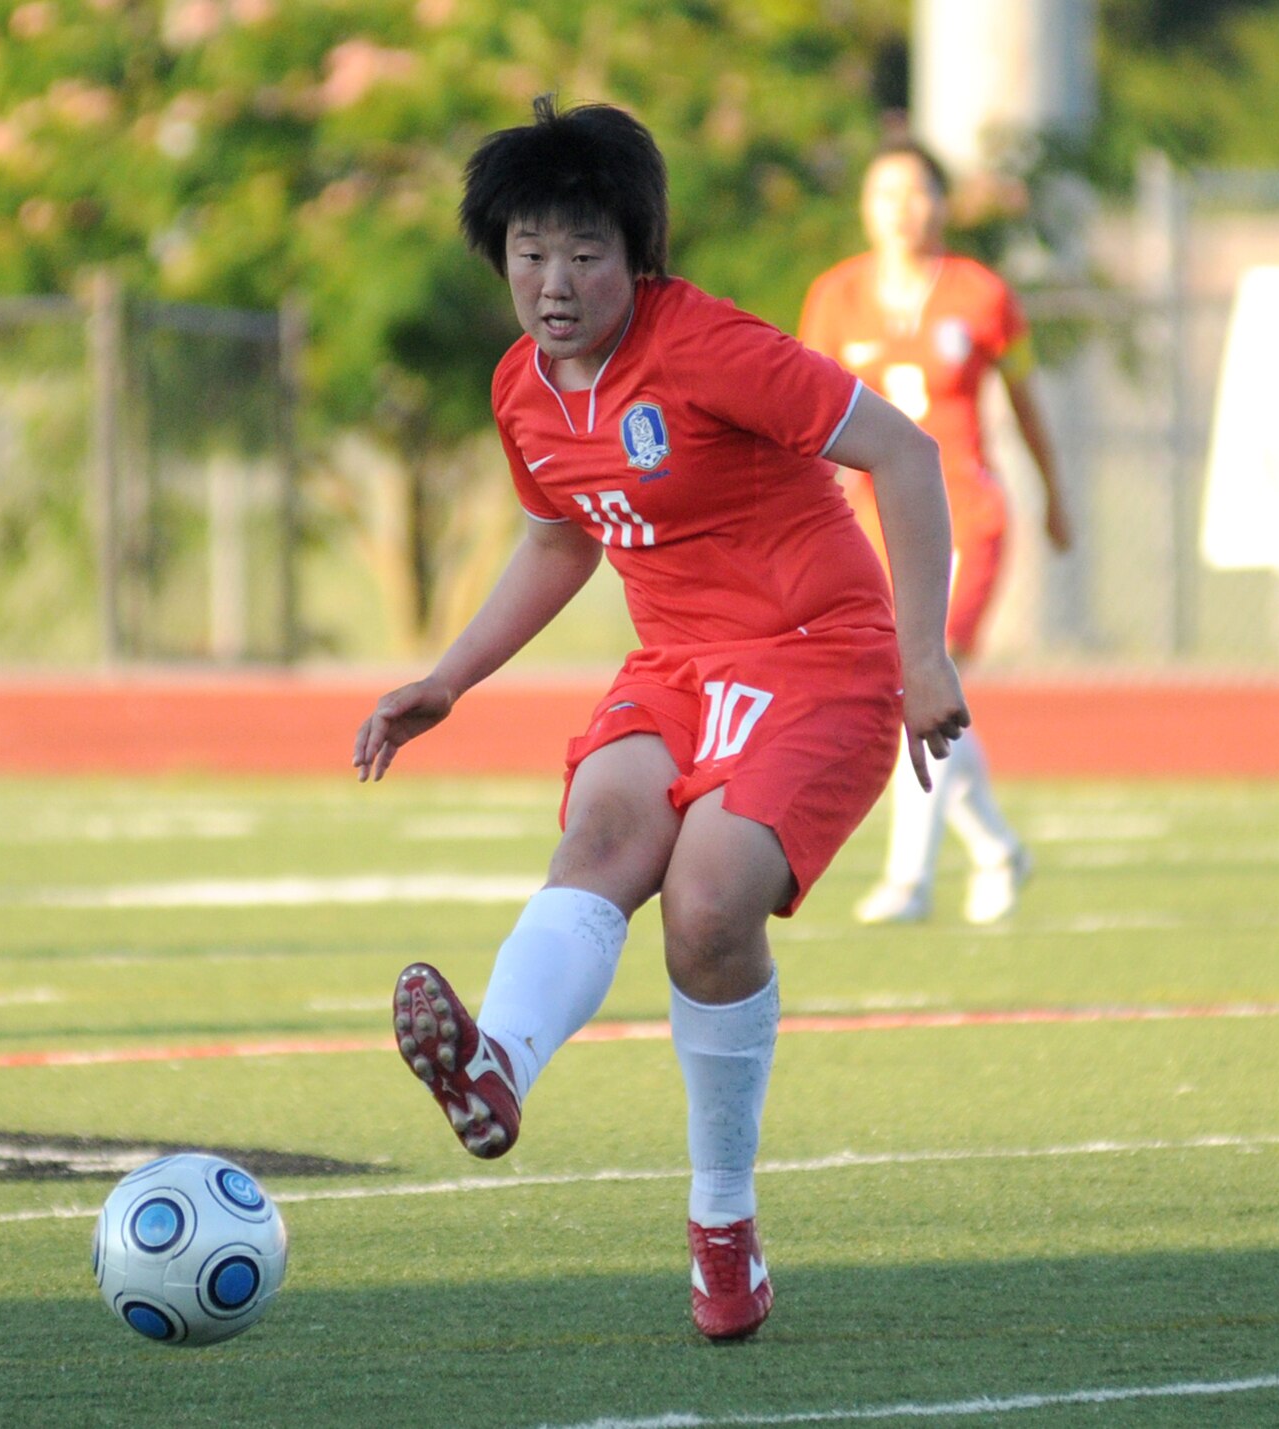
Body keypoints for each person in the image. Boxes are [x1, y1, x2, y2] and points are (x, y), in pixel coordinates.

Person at [353, 98, 968, 1342]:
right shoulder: (519, 390)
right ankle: (496, 1070)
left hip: (821, 659)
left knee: (703, 904)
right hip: (676, 661)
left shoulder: (712, 347)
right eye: (529, 250)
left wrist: (923, 658)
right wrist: (448, 676)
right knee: (597, 836)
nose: (554, 281)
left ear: (638, 254)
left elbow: (904, 455)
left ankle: (722, 1225)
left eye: (584, 251)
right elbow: (556, 534)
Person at [798, 140, 1074, 926]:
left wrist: (1055, 494)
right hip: (869, 523)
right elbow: (806, 413)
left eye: (916, 192)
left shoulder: (982, 294)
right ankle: (995, 848)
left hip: (965, 514)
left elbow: (1025, 403)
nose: (901, 209)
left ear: (942, 204)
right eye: (885, 193)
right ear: (863, 206)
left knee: (913, 676)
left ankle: (908, 880)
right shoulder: (836, 295)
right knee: (906, 685)